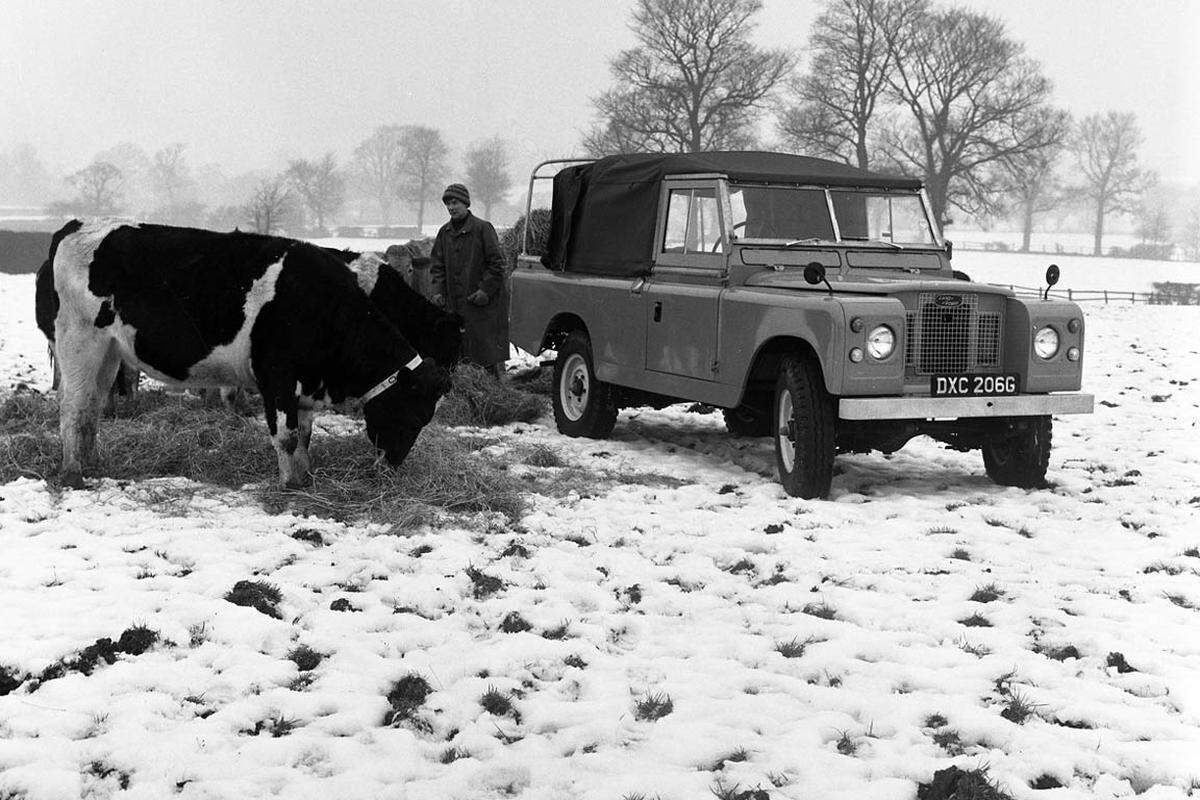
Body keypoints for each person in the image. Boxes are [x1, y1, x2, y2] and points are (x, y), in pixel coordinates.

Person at [429, 183, 509, 376]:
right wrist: (438, 291)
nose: (451, 207)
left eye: (455, 202)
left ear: (466, 203)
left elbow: (497, 264)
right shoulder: (444, 233)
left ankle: (494, 395)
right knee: (458, 355)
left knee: (485, 355)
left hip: (481, 306)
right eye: (448, 203)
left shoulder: (483, 229)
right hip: (454, 306)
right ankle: (463, 396)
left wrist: (485, 290)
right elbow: (437, 265)